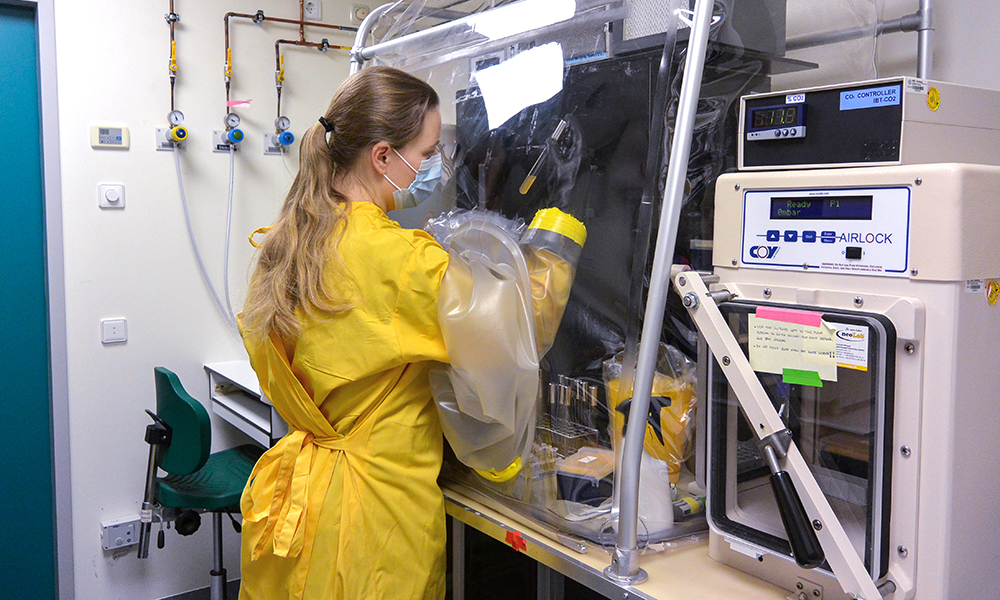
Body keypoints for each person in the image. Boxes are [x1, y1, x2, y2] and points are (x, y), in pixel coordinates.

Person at [237, 66, 449, 600]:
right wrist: (556, 238)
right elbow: (513, 331)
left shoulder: (286, 241)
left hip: (305, 507)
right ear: (383, 156)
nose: (432, 168)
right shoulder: (402, 259)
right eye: (426, 155)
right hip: (378, 518)